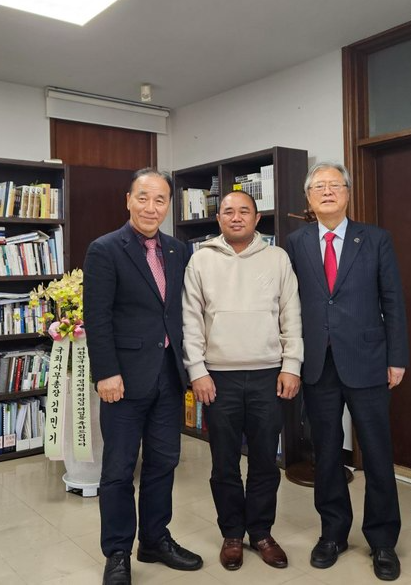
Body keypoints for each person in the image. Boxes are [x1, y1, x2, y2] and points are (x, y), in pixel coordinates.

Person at [285, 161, 409, 582]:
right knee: (325, 454)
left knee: (377, 453)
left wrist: (397, 357)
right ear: (308, 197)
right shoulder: (295, 243)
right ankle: (333, 533)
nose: (327, 191)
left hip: (368, 360)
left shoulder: (375, 239)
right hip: (317, 363)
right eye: (318, 186)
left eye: (334, 185)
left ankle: (383, 540)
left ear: (347, 193)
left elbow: (393, 300)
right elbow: (289, 303)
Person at [83, 168, 203, 585]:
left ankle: (154, 539)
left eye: (160, 200)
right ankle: (117, 552)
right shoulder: (105, 249)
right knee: (118, 469)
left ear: (169, 205)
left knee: (163, 462)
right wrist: (106, 373)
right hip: (123, 380)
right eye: (143, 198)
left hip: (168, 376)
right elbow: (96, 317)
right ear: (128, 200)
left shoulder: (177, 249)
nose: (151, 207)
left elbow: (180, 311)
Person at [182, 190, 304, 571]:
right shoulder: (201, 260)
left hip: (269, 375)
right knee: (224, 463)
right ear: (218, 218)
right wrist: (198, 371)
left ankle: (261, 532)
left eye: (244, 211)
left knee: (266, 461)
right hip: (218, 379)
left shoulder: (277, 258)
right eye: (228, 212)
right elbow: (191, 320)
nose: (236, 217)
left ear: (256, 218)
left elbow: (291, 314)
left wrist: (292, 365)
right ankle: (232, 533)